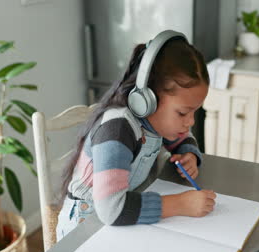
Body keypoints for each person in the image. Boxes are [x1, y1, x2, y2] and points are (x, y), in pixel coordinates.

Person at [56, 30, 216, 241]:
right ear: (147, 99)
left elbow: (181, 136)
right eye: (183, 112)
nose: (190, 121)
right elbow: (112, 209)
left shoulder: (156, 121)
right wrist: (181, 204)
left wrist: (188, 154)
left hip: (121, 214)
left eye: (194, 111)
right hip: (86, 222)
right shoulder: (117, 129)